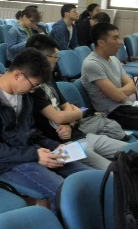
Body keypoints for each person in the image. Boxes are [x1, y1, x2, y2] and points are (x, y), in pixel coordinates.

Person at [0, 48, 89, 212]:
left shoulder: (23, 95)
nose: (32, 90)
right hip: (8, 163)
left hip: (32, 152)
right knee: (64, 192)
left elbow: (32, 132)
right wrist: (35, 155)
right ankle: (62, 226)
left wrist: (54, 146)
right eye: (33, 85)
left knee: (87, 176)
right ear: (18, 75)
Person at [26, 34, 126, 170]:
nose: (57, 62)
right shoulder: (32, 87)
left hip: (80, 135)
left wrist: (68, 124)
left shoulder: (48, 79)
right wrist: (77, 113)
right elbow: (58, 117)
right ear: (44, 58)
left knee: (130, 151)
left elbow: (66, 106)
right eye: (56, 57)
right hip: (63, 145)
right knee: (116, 172)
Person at [81, 22, 138, 130]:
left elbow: (132, 87)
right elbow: (119, 97)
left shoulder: (114, 59)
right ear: (101, 43)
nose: (119, 42)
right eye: (115, 39)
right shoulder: (92, 64)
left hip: (126, 107)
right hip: (112, 114)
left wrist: (117, 90)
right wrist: (120, 93)